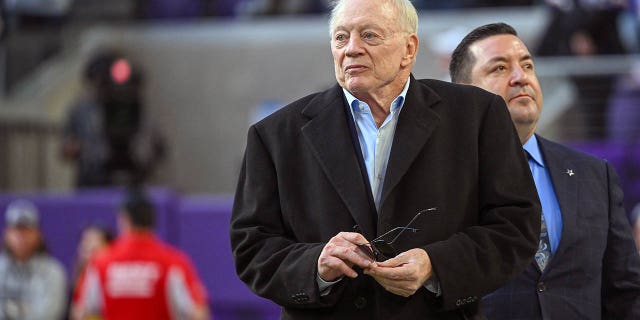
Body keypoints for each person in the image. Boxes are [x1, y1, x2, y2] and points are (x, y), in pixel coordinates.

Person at [230, 0, 542, 318]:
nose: (351, 49)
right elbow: (252, 247)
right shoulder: (275, 135)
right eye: (341, 37)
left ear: (409, 49)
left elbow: (515, 226)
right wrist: (316, 265)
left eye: (369, 35)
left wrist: (437, 265)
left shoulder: (478, 115)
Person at [449, 22, 640, 319]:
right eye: (499, 68)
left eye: (527, 65)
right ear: (463, 94)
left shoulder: (595, 174)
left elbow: (625, 290)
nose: (520, 77)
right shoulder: (440, 178)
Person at [73, 191, 210, 320]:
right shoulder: (173, 262)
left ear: (124, 219)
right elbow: (198, 313)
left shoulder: (101, 263)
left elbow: (80, 313)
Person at [62, 50, 165, 188]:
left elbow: (156, 146)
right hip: (92, 181)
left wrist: (147, 153)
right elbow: (67, 147)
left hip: (133, 182)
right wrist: (77, 148)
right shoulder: (82, 110)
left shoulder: (134, 107)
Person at [0, 199, 67, 319]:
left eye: (27, 231)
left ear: (38, 234)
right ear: (7, 234)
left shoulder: (53, 271)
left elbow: (49, 314)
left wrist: (9, 310)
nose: (21, 237)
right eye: (16, 230)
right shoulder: (1, 267)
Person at [69, 224, 113, 320]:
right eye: (85, 240)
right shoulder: (80, 276)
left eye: (94, 240)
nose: (88, 245)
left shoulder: (113, 276)